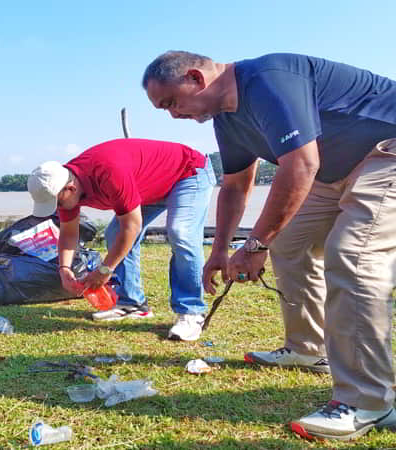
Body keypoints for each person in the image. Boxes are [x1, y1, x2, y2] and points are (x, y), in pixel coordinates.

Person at [142, 50, 396, 440]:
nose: (173, 115)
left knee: (353, 256)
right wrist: (220, 251)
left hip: (386, 151)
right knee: (290, 243)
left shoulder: (268, 78)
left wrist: (256, 243)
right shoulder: (227, 119)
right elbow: (235, 185)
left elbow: (300, 165)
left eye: (171, 103)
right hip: (337, 171)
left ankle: (369, 401)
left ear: (196, 77)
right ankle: (308, 347)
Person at [27, 138, 215, 341]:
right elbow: (69, 233)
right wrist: (64, 269)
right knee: (114, 234)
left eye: (57, 203)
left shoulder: (108, 172)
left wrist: (105, 270)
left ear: (70, 188)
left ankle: (192, 312)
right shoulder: (66, 187)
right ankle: (132, 303)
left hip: (187, 173)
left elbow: (131, 227)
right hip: (149, 186)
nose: (58, 208)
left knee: (181, 232)